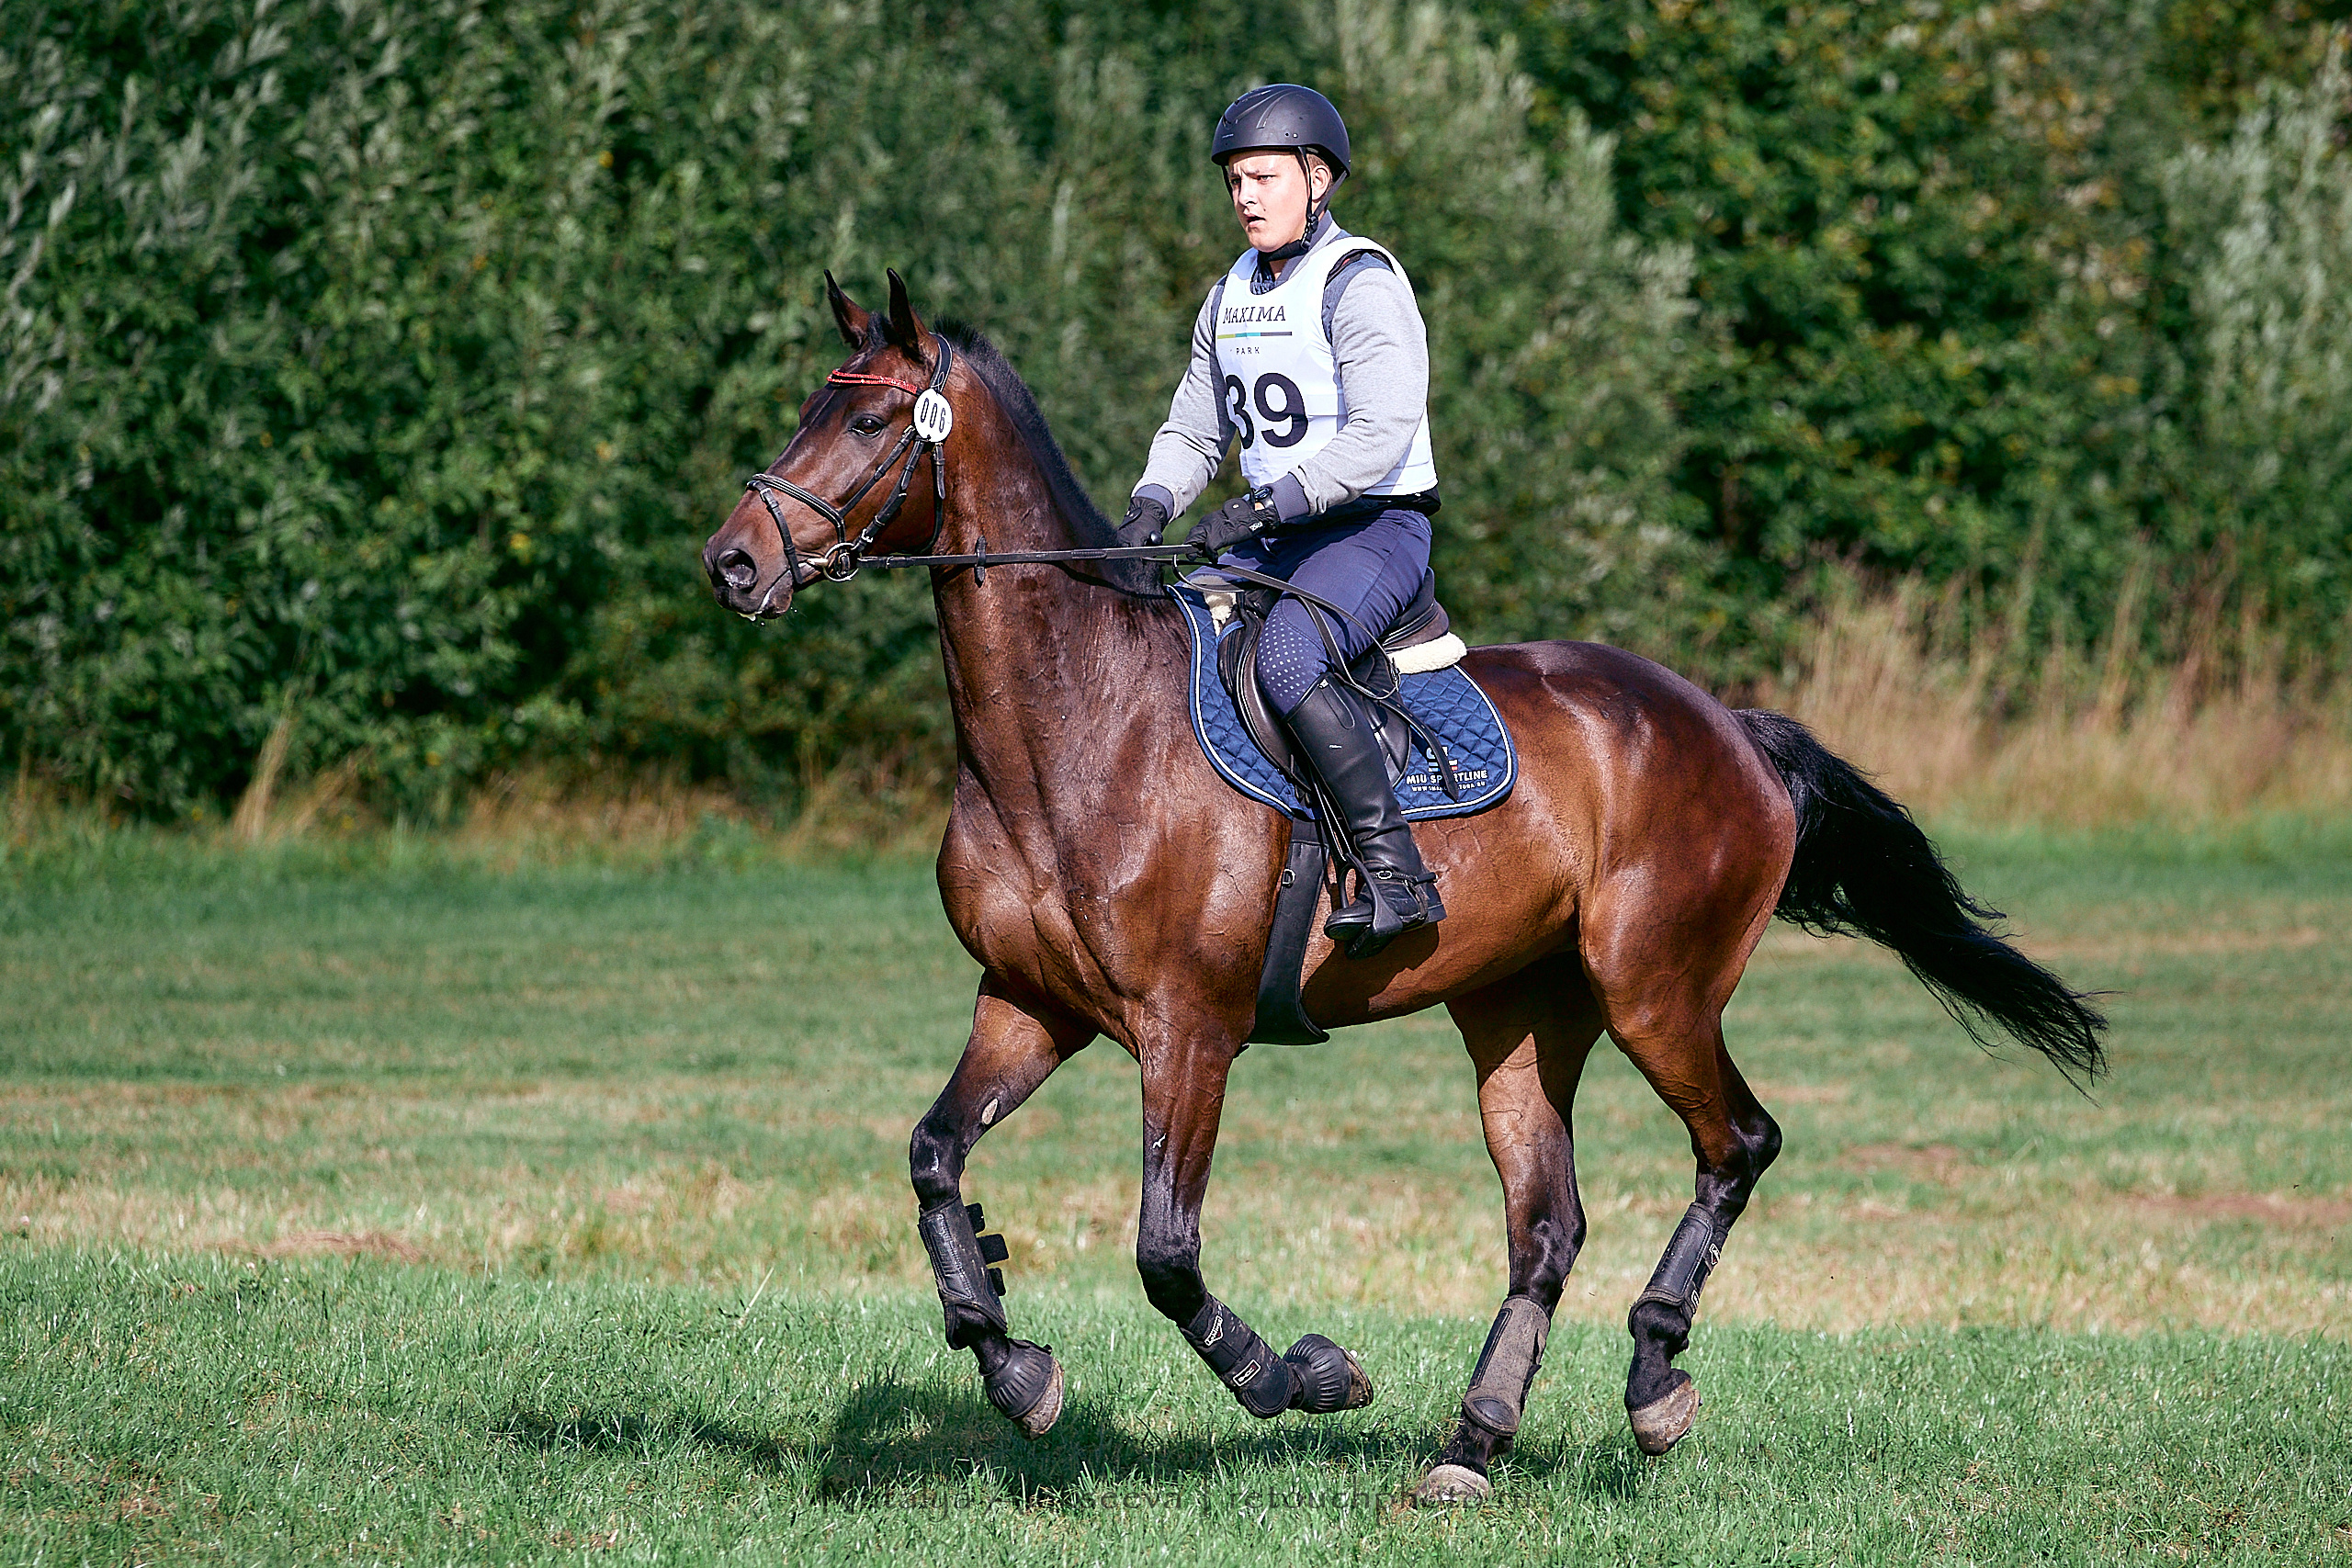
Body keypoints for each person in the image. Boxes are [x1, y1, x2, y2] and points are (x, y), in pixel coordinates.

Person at [1121, 84, 1444, 956]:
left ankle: (1397, 873)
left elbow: (1381, 433)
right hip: (1276, 536)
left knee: (1293, 653)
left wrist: (1266, 502)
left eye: (1262, 176)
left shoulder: (1359, 282)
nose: (1245, 197)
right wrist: (1151, 506)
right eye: (1234, 181)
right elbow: (1196, 426)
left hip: (1374, 530)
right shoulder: (1228, 295)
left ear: (1316, 177)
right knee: (1157, 632)